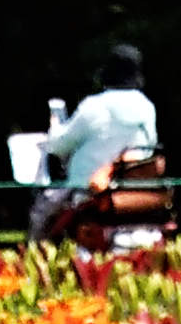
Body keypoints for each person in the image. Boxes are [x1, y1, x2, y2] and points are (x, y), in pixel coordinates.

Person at [30, 45, 158, 242]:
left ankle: (36, 254)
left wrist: (55, 125)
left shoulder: (95, 106)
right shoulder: (147, 108)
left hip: (88, 193)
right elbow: (150, 146)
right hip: (134, 193)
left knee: (42, 211)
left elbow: (59, 145)